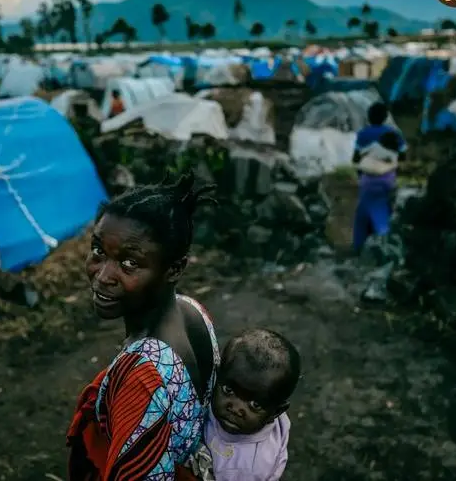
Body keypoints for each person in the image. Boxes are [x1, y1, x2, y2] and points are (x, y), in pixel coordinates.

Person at [67, 171, 222, 480]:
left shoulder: (142, 375)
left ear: (174, 269)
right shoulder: (193, 311)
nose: (103, 276)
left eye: (130, 263)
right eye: (98, 251)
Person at [187, 329, 301, 481]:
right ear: (217, 375)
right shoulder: (261, 397)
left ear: (275, 412)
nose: (236, 408)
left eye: (254, 405)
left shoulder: (249, 468)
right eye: (228, 390)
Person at [351, 102, 407, 252]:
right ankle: (384, 246)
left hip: (366, 181)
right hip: (388, 180)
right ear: (385, 117)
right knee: (382, 213)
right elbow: (403, 157)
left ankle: (359, 247)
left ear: (369, 117)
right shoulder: (394, 133)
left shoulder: (363, 134)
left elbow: (355, 159)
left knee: (362, 214)